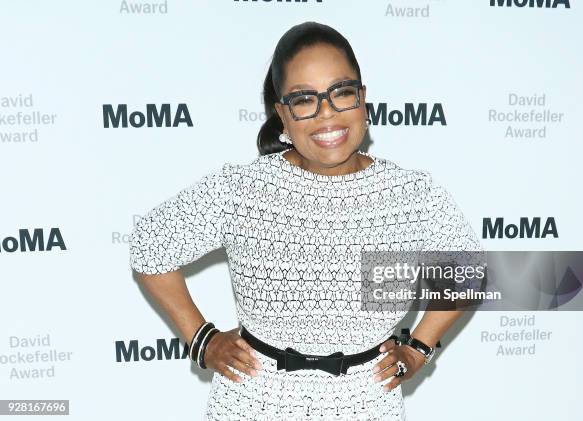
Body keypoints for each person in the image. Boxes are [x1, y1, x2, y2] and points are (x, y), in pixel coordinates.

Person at [129, 21, 481, 421]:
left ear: (362, 99)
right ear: (282, 114)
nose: (326, 114)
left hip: (365, 406)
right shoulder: (245, 189)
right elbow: (149, 244)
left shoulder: (409, 196)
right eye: (303, 99)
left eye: (341, 93)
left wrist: (419, 349)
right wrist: (201, 340)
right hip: (251, 405)